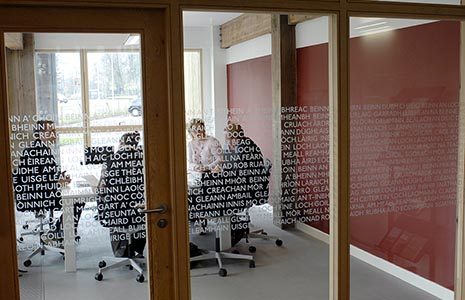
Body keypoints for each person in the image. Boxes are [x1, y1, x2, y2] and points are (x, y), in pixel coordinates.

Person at [13, 119, 73, 247]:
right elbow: (37, 180)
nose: (54, 134)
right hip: (38, 195)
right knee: (75, 201)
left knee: (74, 199)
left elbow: (45, 175)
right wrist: (58, 180)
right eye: (50, 131)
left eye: (54, 131)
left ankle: (58, 233)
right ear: (40, 134)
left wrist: (59, 177)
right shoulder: (36, 151)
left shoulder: (42, 148)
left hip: (42, 192)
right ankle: (56, 233)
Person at [97, 131, 146, 257]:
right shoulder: (144, 160)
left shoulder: (109, 160)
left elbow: (101, 189)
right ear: (136, 144)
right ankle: (137, 251)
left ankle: (121, 252)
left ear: (120, 143)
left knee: (111, 206)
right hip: (139, 212)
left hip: (116, 214)